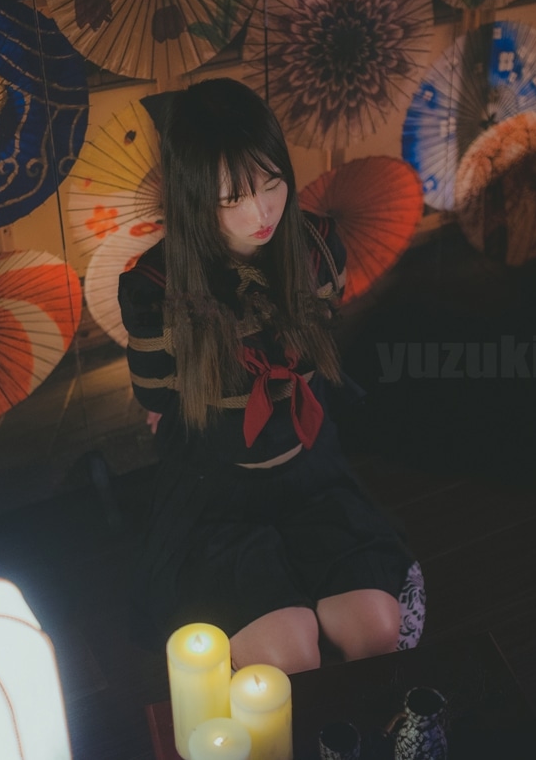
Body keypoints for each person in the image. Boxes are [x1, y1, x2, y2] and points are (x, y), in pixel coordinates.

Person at [118, 77, 416, 674]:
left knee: (376, 630)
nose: (261, 214)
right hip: (218, 489)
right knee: (291, 656)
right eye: (232, 198)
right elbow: (157, 398)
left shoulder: (318, 246)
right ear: (193, 197)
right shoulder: (155, 287)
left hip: (311, 469)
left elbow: (322, 344)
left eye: (273, 183)